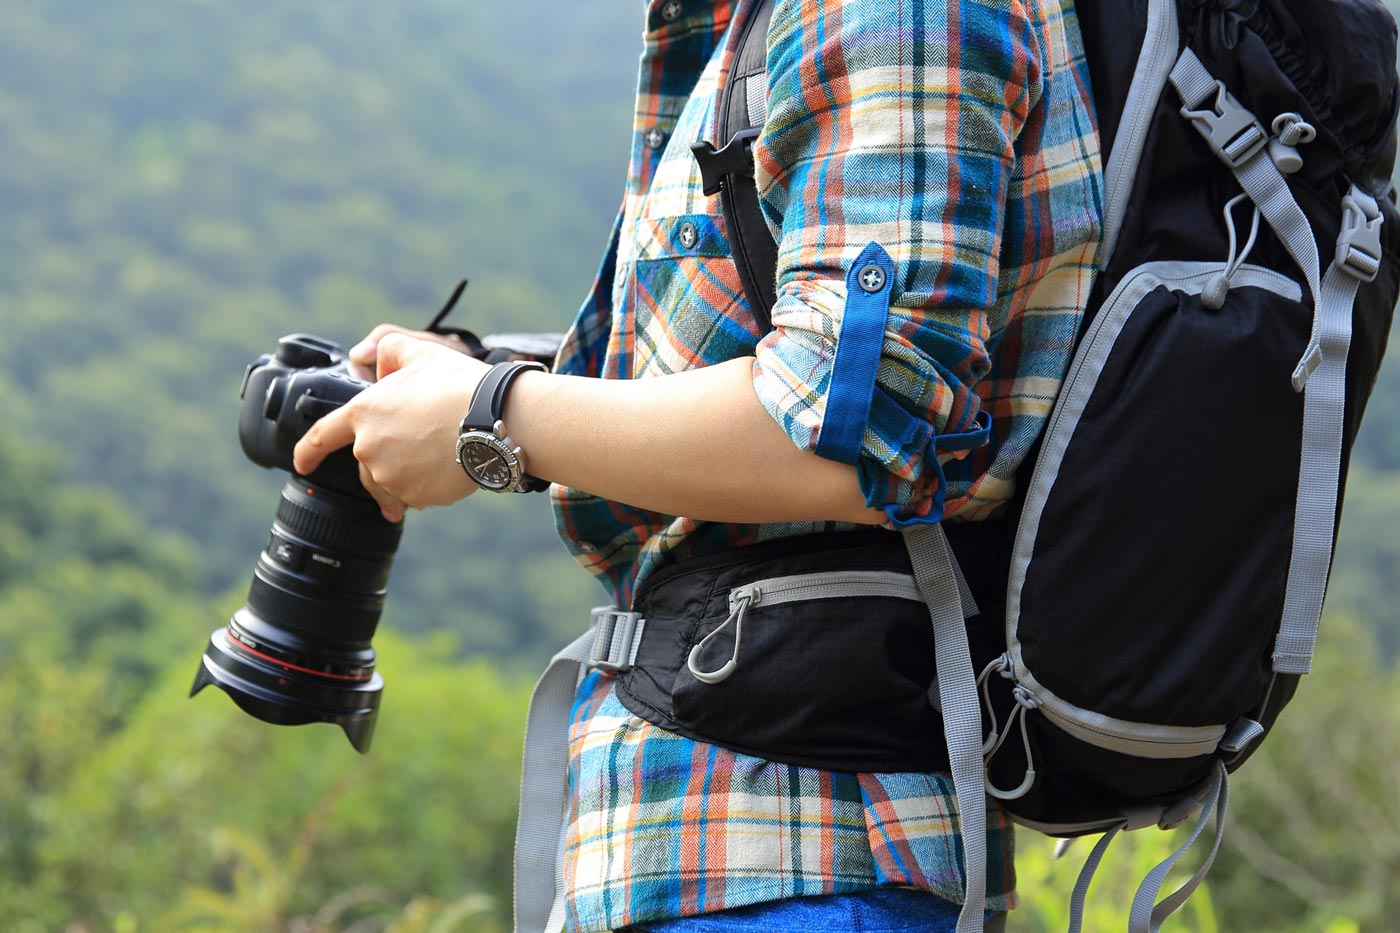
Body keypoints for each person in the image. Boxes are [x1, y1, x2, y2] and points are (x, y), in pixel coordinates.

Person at [293, 0, 1103, 929]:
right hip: (709, 833)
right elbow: (771, 363)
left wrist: (491, 419)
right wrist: (476, 394)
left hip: (807, 852)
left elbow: (859, 428)